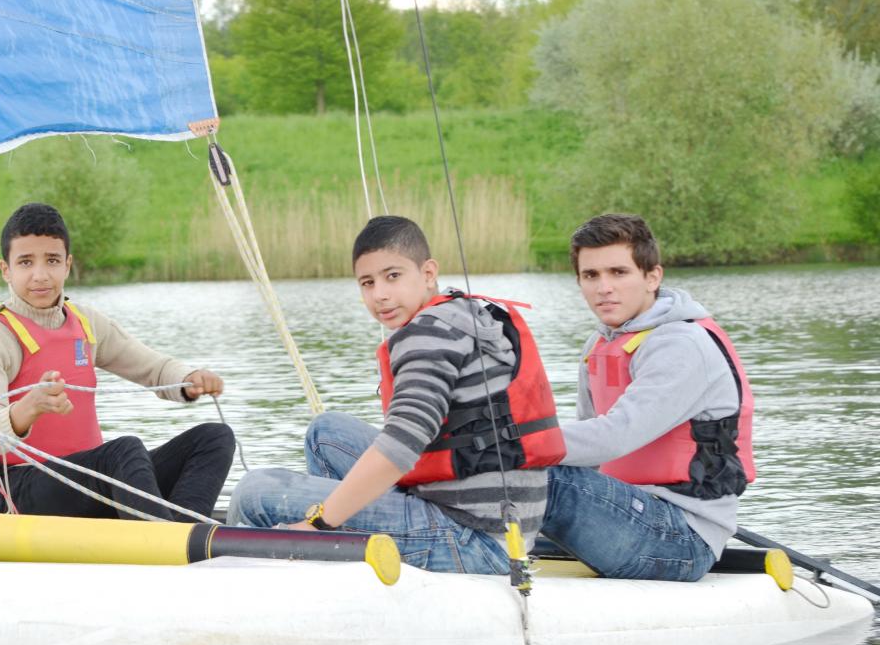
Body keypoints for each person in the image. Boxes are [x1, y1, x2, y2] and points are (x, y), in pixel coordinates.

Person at [228, 215, 563, 573]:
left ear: (428, 273)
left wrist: (320, 522)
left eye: (393, 276)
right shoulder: (462, 312)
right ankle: (336, 558)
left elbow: (400, 447)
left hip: (473, 541)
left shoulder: (427, 334)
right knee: (326, 432)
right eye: (367, 283)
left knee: (254, 492)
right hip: (506, 528)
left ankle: (301, 557)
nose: (380, 295)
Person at [0, 202, 235, 521]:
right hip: (14, 491)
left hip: (85, 484)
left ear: (68, 265)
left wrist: (189, 378)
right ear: (6, 270)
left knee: (214, 438)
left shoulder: (85, 321)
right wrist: (29, 407)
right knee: (124, 451)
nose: (40, 275)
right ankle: (162, 538)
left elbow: (153, 368)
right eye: (25, 262)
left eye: (52, 260)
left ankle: (187, 536)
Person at [539, 213, 755, 581]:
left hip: (683, 537)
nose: (604, 288)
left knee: (531, 472)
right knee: (506, 474)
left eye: (618, 272)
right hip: (623, 512)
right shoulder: (599, 344)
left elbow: (616, 435)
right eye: (591, 275)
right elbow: (586, 450)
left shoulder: (682, 344)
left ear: (652, 277)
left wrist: (515, 444)